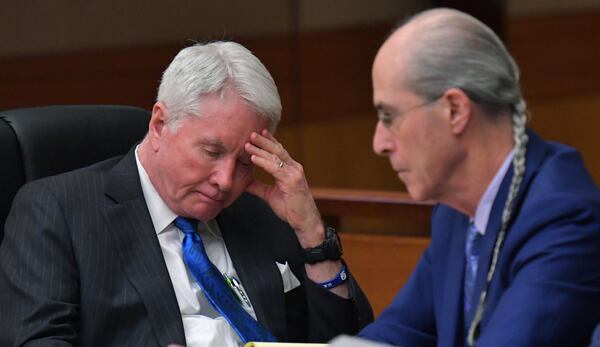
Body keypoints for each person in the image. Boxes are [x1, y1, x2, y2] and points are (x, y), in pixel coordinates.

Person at [0, 41, 373, 346]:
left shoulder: (257, 211)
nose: (225, 181)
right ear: (160, 123)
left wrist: (312, 237)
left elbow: (346, 340)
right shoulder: (58, 210)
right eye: (211, 153)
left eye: (244, 161)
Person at [357, 8, 600, 347]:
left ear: (455, 110)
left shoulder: (563, 217)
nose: (379, 143)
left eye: (389, 116)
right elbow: (401, 331)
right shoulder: (455, 208)